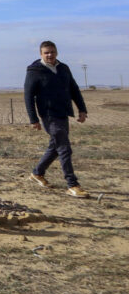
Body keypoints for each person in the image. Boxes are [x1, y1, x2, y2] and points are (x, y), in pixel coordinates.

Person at [24, 40, 89, 197]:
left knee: (55, 146)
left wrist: (82, 109)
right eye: (46, 52)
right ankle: (72, 184)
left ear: (56, 52)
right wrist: (33, 119)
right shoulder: (35, 71)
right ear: (41, 54)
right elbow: (28, 96)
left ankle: (37, 173)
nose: (50, 55)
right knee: (64, 148)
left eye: (52, 52)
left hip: (63, 113)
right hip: (48, 115)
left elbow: (74, 89)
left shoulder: (63, 68)